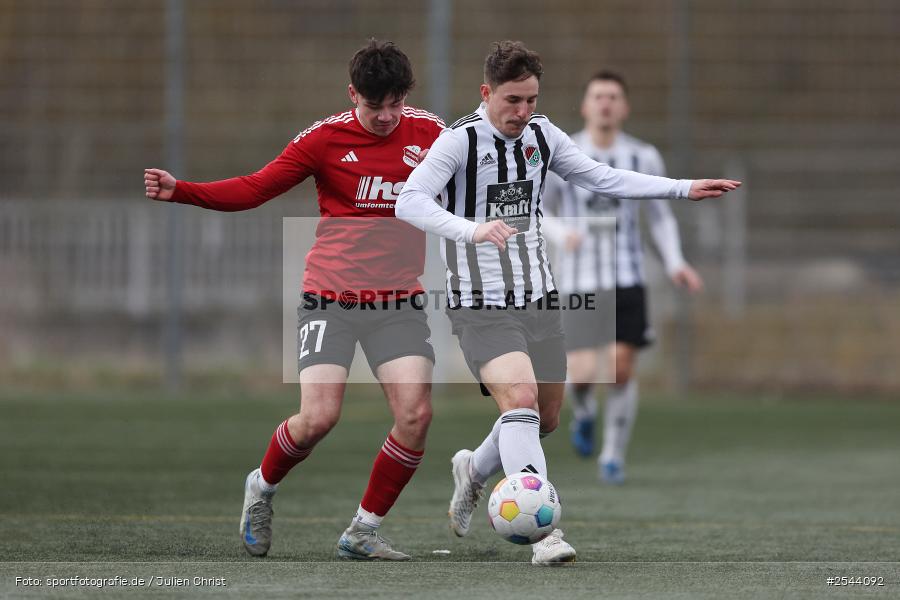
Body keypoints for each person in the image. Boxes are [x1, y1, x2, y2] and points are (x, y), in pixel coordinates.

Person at [395, 40, 739, 565]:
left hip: (539, 298)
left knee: (545, 418)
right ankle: (545, 535)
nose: (523, 110)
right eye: (513, 100)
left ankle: (474, 469)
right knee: (522, 398)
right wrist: (470, 230)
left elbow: (603, 177)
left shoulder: (542, 135)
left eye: (531, 99)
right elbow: (410, 199)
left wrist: (681, 188)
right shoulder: (457, 142)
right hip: (480, 302)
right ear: (487, 93)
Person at [143, 40, 445, 561]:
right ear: (354, 95)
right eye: (375, 106)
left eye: (395, 104)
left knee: (416, 414)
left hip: (398, 298)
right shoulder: (324, 139)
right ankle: (261, 488)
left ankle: (362, 531)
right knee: (318, 418)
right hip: (330, 295)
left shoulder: (433, 133)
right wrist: (184, 190)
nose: (386, 116)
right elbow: (256, 187)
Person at [543, 70, 704, 485]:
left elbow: (660, 217)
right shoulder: (564, 153)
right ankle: (583, 412)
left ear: (625, 106)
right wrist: (563, 234)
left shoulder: (643, 156)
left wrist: (675, 263)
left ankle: (612, 456)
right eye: (598, 96)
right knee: (579, 373)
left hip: (627, 277)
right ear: (585, 105)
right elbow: (538, 210)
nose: (605, 103)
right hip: (578, 279)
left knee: (620, 366)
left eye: (613, 96)